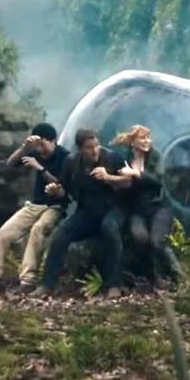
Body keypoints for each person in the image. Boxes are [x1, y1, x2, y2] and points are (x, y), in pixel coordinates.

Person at [34, 128, 131, 299]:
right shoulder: (71, 162)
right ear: (80, 149)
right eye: (89, 148)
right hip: (88, 211)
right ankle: (47, 285)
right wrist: (55, 190)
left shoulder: (112, 157)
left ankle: (114, 284)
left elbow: (129, 182)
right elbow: (63, 189)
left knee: (109, 228)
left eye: (96, 146)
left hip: (114, 208)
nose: (94, 151)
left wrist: (108, 177)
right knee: (61, 235)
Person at [0, 123, 69, 293]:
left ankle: (28, 281)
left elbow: (61, 186)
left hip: (55, 206)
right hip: (35, 205)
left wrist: (40, 168)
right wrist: (25, 148)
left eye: (43, 144)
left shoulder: (65, 157)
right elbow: (10, 164)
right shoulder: (35, 153)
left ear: (53, 141)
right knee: (5, 233)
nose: (40, 149)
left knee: (38, 230)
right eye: (37, 145)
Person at [112, 125, 183, 287]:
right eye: (142, 138)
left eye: (148, 138)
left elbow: (157, 180)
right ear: (133, 142)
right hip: (137, 210)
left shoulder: (156, 156)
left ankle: (178, 276)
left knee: (157, 241)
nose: (147, 141)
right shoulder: (126, 159)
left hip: (159, 206)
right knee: (140, 237)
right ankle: (153, 276)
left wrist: (136, 174)